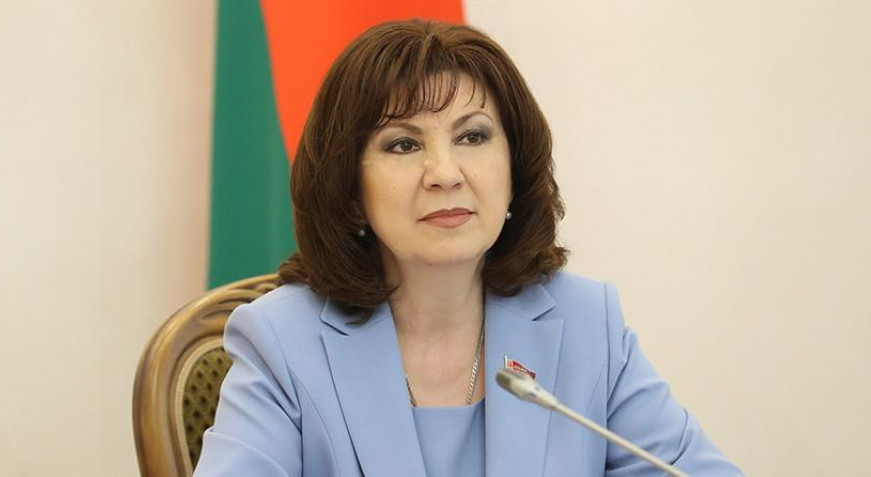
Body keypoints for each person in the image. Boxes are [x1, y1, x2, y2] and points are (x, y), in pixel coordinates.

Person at [195, 19, 742, 477]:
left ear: (514, 168)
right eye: (403, 144)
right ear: (351, 191)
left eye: (472, 136)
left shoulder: (585, 324)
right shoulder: (283, 342)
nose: (445, 172)